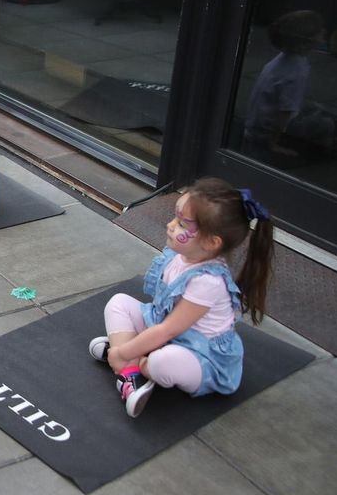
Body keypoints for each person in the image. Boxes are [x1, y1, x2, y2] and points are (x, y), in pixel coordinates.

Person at [88, 178, 275, 418]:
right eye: (174, 217)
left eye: (181, 224)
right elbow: (162, 319)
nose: (170, 225)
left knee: (163, 363)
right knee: (119, 303)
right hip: (167, 330)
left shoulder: (207, 282)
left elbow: (168, 331)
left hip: (198, 352)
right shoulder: (179, 255)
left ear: (211, 242)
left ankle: (130, 362)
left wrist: (123, 352)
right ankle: (131, 372)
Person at [243, 10, 337, 158]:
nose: (324, 31)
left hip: (256, 125)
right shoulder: (295, 72)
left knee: (316, 109)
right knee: (327, 123)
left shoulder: (284, 59)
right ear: (305, 43)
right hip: (264, 133)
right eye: (319, 31)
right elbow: (285, 113)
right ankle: (328, 146)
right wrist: (273, 144)